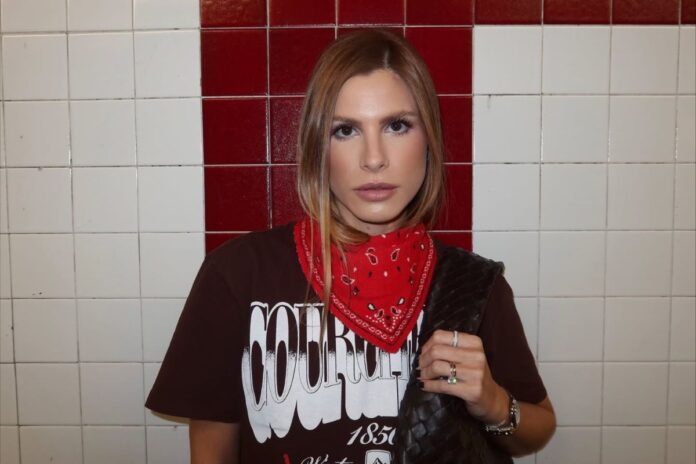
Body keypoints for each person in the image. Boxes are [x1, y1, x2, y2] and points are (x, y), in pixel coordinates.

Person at [145, 28, 556, 464]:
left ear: (429, 140)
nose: (374, 158)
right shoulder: (237, 274)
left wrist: (492, 402)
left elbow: (538, 429)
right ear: (317, 147)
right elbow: (211, 453)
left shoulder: (472, 284)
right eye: (345, 130)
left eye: (397, 126)